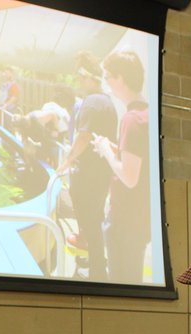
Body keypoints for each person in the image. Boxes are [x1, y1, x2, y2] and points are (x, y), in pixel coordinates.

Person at [93, 49, 151, 284]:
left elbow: (129, 177)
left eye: (108, 77)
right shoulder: (146, 115)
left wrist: (106, 151)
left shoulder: (132, 119)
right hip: (138, 220)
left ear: (120, 79)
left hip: (124, 221)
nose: (106, 83)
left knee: (121, 283)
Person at [57, 52, 117, 280]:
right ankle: (96, 265)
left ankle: (97, 271)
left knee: (91, 221)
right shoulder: (107, 102)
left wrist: (66, 162)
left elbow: (83, 137)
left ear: (89, 77)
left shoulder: (92, 103)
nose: (78, 81)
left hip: (89, 175)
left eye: (80, 76)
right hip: (100, 173)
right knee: (94, 220)